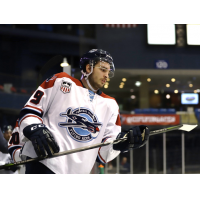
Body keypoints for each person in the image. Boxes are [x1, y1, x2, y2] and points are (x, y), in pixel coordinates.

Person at [13, 49, 149, 174]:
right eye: (103, 69)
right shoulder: (61, 81)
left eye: (108, 72)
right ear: (88, 67)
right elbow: (30, 111)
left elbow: (103, 154)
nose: (107, 75)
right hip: (45, 164)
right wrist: (35, 128)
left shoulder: (111, 105)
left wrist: (122, 143)